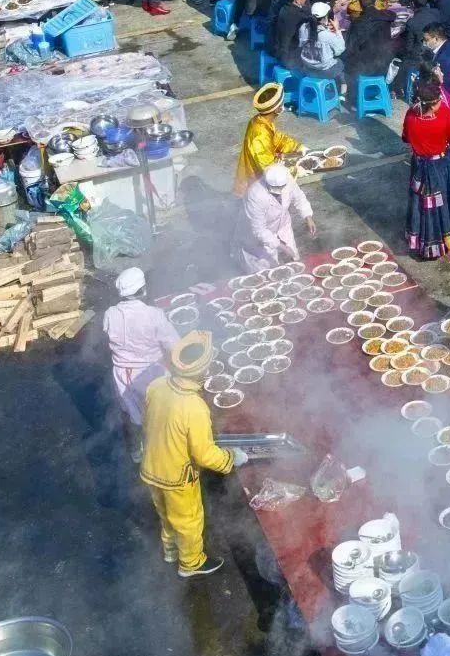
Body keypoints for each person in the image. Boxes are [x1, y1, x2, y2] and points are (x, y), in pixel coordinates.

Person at [139, 330, 248, 577]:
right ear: (201, 370)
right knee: (188, 521)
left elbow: (147, 423)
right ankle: (191, 563)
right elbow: (204, 454)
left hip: (151, 466)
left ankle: (170, 550)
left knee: (166, 515)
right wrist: (231, 458)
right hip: (177, 477)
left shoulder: (157, 385)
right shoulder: (193, 406)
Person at [102, 267, 180, 426]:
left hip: (122, 374)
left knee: (136, 416)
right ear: (143, 289)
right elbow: (174, 345)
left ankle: (137, 437)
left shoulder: (110, 313)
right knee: (161, 416)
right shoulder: (154, 315)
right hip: (151, 374)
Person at [401, 80, 450, 261]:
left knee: (422, 204)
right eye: (439, 100)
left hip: (420, 167)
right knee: (443, 201)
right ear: (432, 104)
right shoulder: (444, 115)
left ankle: (423, 241)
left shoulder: (410, 115)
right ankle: (445, 237)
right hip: (441, 165)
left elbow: (405, 138)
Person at [232, 161, 315, 273]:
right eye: (275, 191)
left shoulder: (287, 179)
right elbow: (259, 230)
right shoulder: (255, 195)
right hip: (257, 236)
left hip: (282, 224)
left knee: (294, 258)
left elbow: (299, 197)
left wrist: (308, 217)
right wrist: (281, 246)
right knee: (265, 270)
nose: (279, 194)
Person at [234, 82, 304, 193]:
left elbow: (277, 139)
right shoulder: (259, 134)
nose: (283, 105)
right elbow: (269, 168)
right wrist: (295, 170)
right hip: (256, 186)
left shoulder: (261, 121)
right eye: (282, 103)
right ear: (277, 110)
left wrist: (299, 148)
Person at [298, 1, 345, 81]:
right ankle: (343, 85)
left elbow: (301, 44)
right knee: (340, 62)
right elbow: (340, 50)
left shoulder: (303, 27)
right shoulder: (327, 35)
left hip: (307, 68)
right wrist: (337, 30)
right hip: (324, 71)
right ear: (325, 17)